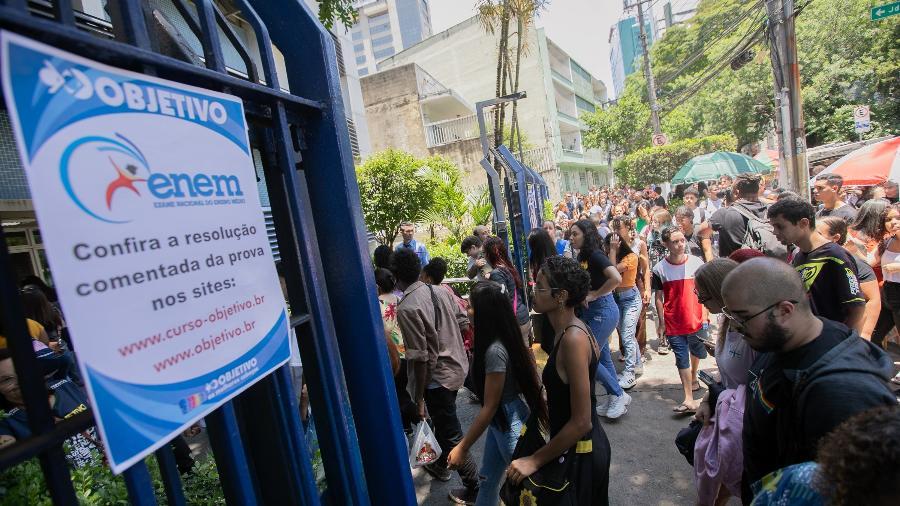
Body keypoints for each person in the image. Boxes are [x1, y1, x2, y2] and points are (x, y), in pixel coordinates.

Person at [718, 258, 896, 502]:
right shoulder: (780, 340)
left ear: (784, 310)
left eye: (742, 317)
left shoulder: (843, 394)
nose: (736, 328)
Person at [507, 256, 611, 504]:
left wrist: (533, 460)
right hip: (571, 448)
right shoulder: (564, 332)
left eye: (540, 286)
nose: (534, 289)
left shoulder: (574, 339)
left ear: (561, 296)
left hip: (582, 453)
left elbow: (582, 421)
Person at [446, 281, 548, 506]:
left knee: (528, 492)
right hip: (501, 422)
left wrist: (462, 447)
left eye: (470, 305)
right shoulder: (500, 340)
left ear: (485, 314)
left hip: (508, 423)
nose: (466, 309)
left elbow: (490, 406)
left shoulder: (494, 351)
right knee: (488, 479)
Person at [391, 249, 479, 492]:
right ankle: (440, 464)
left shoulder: (407, 307)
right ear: (420, 269)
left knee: (452, 435)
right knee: (444, 420)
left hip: (436, 380)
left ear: (396, 276)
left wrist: (418, 397)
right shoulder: (441, 290)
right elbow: (463, 320)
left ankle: (475, 488)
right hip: (457, 368)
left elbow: (420, 359)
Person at [692, 258, 757, 505]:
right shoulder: (725, 320)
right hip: (729, 418)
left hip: (748, 427)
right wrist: (709, 399)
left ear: (724, 292)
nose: (699, 301)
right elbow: (728, 374)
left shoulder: (753, 331)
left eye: (704, 295)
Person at [767, 198, 865, 331]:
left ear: (803, 223)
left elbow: (856, 306)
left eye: (780, 226)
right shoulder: (799, 256)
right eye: (773, 227)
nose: (775, 232)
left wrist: (841, 338)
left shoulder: (836, 256)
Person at [569, 220, 630, 418]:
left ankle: (618, 394)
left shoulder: (596, 255)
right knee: (602, 356)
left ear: (586, 234)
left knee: (586, 357)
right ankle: (615, 397)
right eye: (571, 234)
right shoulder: (583, 256)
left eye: (575, 234)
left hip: (603, 311)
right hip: (593, 312)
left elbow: (616, 278)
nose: (571, 238)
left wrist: (594, 295)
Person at [652, 227, 708, 413]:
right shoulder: (659, 268)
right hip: (673, 320)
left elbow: (705, 291)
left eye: (682, 240)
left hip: (696, 318)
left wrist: (706, 314)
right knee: (680, 357)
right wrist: (661, 322)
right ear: (666, 244)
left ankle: (693, 377)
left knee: (697, 351)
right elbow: (658, 297)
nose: (680, 245)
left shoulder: (697, 263)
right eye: (675, 242)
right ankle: (688, 398)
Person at [816, 217, 882, 341]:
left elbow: (873, 300)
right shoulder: (809, 259)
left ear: (835, 238)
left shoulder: (855, 264)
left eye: (819, 233)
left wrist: (864, 336)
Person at [374, 268, 416, 430]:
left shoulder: (376, 303)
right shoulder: (400, 299)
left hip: (391, 355)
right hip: (405, 351)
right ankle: (407, 426)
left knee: (399, 395)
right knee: (402, 390)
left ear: (377, 286)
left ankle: (421, 418)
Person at [605, 217, 643, 384]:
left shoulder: (631, 257)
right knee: (627, 335)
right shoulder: (614, 256)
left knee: (627, 336)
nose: (607, 249)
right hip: (618, 299)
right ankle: (637, 364)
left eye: (610, 246)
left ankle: (629, 374)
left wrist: (612, 251)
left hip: (631, 300)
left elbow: (613, 272)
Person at [483, 237, 532, 346]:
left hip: (515, 321)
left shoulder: (496, 273)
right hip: (522, 316)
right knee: (525, 353)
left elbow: (503, 300)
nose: (484, 256)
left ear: (490, 254)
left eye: (484, 253)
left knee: (520, 357)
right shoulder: (507, 267)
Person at [708, 174, 769, 258]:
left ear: (736, 192)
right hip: (769, 266)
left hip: (736, 268)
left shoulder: (724, 214)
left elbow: (702, 232)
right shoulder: (771, 210)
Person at [873, 202, 900, 353]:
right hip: (888, 292)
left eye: (898, 218)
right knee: (874, 333)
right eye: (889, 219)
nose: (893, 222)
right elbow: (869, 261)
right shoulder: (886, 241)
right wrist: (853, 247)